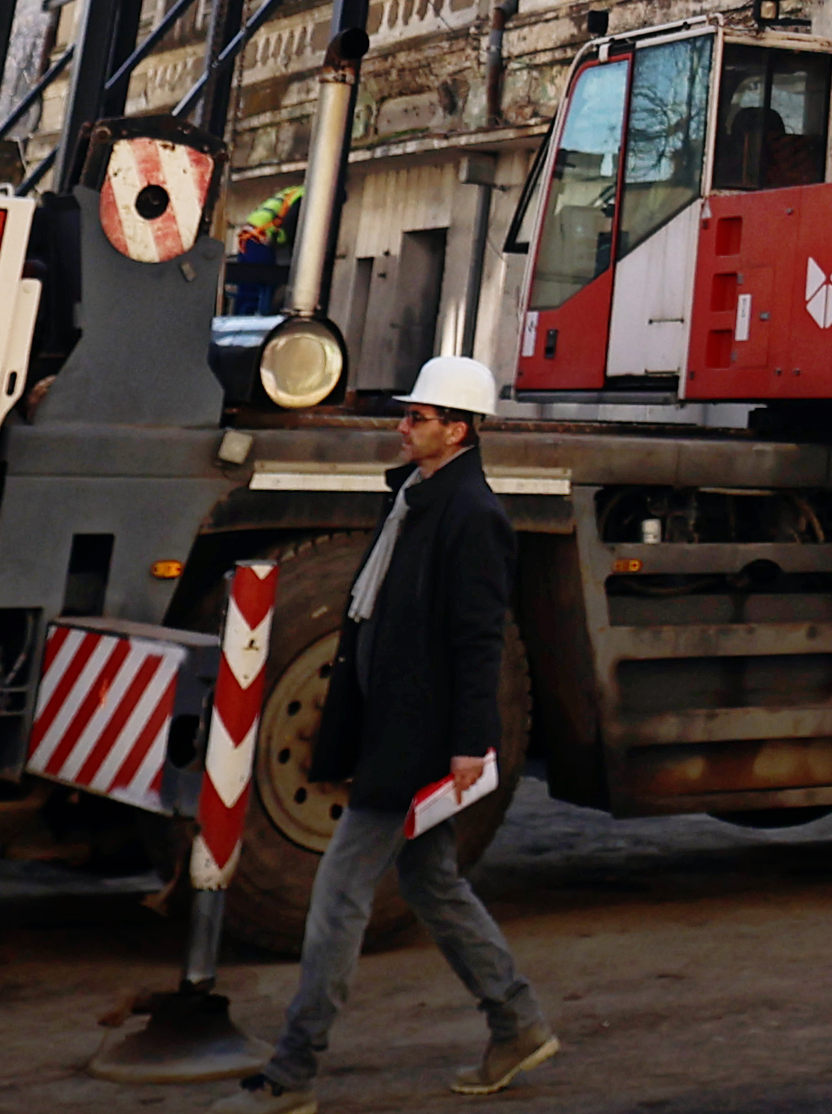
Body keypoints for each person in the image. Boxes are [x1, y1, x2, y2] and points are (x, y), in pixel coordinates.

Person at [230, 354, 555, 1112]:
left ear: (459, 428)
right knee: (431, 881)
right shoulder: (414, 497)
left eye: (417, 416)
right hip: (389, 730)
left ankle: (292, 1073)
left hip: (416, 740)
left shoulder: (473, 517)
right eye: (405, 413)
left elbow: (480, 640)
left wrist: (470, 746)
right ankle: (518, 1021)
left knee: (340, 890)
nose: (401, 426)